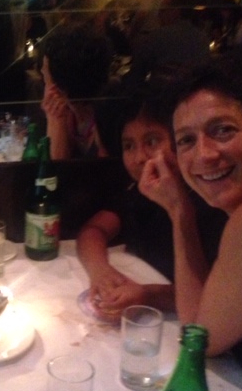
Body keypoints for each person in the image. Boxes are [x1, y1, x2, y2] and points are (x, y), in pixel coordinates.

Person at [137, 57, 242, 391]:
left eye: (223, 130)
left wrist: (179, 211)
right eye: (186, 140)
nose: (205, 154)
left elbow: (198, 338)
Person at [77, 83, 226, 322]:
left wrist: (148, 295)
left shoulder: (212, 200)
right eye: (129, 146)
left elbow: (214, 298)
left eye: (152, 141)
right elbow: (94, 230)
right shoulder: (139, 192)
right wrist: (100, 271)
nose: (139, 157)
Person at [40, 24, 113, 159]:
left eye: (44, 67)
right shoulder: (70, 114)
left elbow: (57, 167)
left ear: (58, 85)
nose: (42, 71)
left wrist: (54, 119)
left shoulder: (107, 120)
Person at [124, 0, 211, 88]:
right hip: (194, 96)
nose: (158, 15)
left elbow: (135, 77)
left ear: (176, 11)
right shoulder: (203, 39)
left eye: (162, 10)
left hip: (162, 96)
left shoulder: (157, 36)